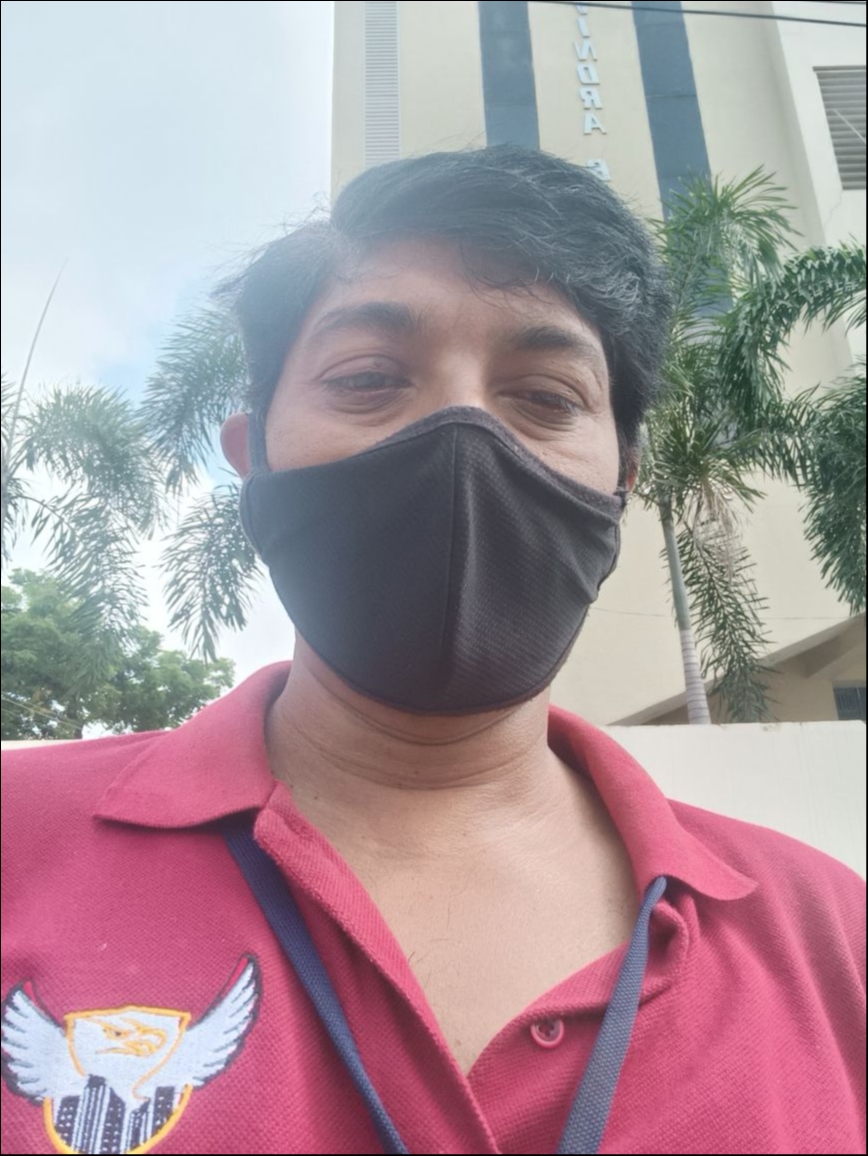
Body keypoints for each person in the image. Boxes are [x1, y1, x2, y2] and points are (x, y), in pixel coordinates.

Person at [1, 146, 864, 1156]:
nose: (461, 432)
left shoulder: (829, 935)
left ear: (622, 482)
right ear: (253, 458)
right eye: (368, 377)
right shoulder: (19, 843)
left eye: (545, 396)